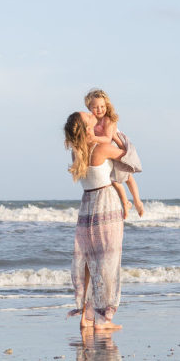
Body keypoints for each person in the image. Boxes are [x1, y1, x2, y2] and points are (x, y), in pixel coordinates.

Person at [64, 111, 127, 331]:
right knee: (107, 261)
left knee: (89, 262)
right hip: (106, 203)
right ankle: (103, 319)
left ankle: (85, 315)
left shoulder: (77, 152)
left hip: (87, 205)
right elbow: (129, 158)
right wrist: (117, 134)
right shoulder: (101, 148)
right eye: (88, 115)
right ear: (86, 125)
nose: (93, 114)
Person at [84, 88, 144, 217]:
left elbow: (107, 138)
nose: (99, 109)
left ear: (107, 106)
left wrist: (93, 138)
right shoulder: (91, 120)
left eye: (102, 106)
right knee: (113, 180)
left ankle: (138, 201)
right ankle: (126, 203)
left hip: (116, 146)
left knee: (127, 177)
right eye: (95, 107)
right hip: (105, 151)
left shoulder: (108, 120)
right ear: (89, 107)